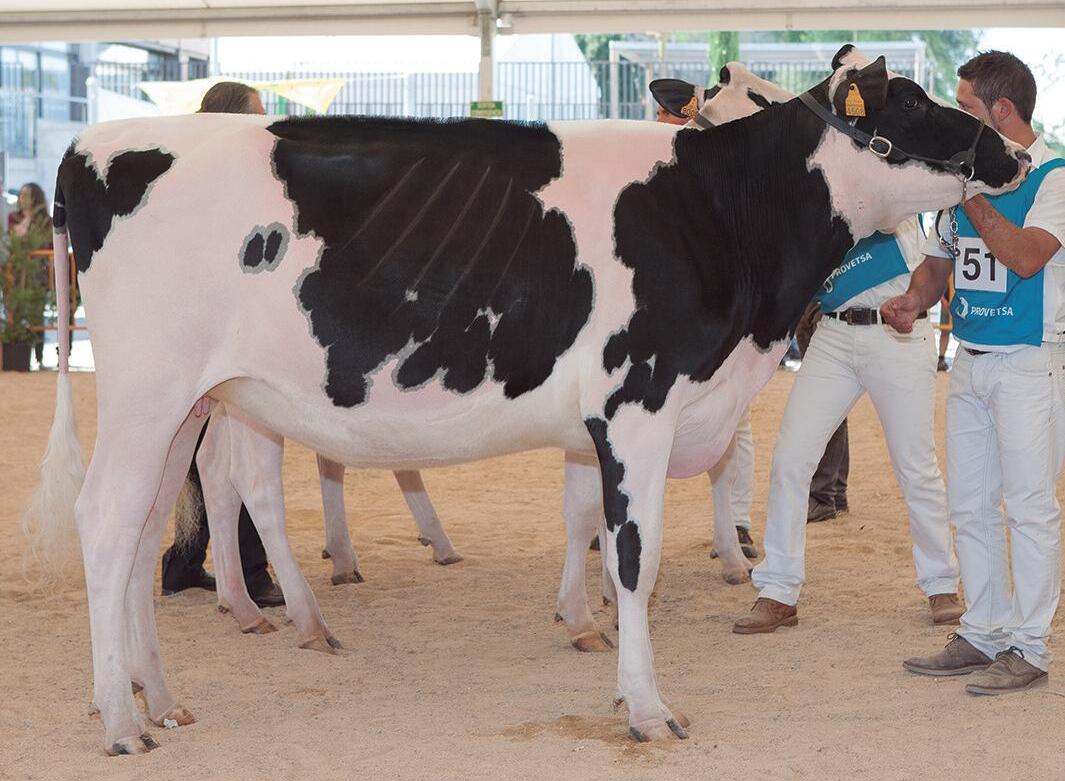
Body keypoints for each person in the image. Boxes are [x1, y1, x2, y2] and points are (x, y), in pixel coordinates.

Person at [885, 51, 1065, 695]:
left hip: (1031, 360)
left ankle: (1030, 646)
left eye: (966, 106)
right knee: (970, 504)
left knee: (1029, 507)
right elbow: (940, 264)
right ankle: (984, 630)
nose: (958, 115)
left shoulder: (1053, 178)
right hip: (970, 359)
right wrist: (914, 299)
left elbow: (1026, 258)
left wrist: (974, 197)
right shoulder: (961, 182)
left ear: (1002, 110)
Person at [733, 215, 964, 634]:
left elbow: (883, 216)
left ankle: (942, 584)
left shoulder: (892, 175)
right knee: (790, 458)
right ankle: (779, 589)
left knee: (915, 465)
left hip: (900, 330)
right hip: (833, 332)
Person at [160, 82, 283, 607]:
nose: (264, 122)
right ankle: (251, 573)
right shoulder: (221, 173)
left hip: (194, 329)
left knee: (198, 453)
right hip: (216, 332)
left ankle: (184, 563)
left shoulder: (185, 167)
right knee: (243, 449)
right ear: (232, 118)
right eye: (257, 114)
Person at [7, 182, 54, 364]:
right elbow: (13, 238)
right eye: (21, 195)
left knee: (37, 313)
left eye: (26, 195)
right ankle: (20, 351)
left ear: (36, 198)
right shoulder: (14, 217)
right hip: (18, 272)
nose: (22, 199)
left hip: (39, 272)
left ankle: (39, 356)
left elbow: (47, 243)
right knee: (17, 312)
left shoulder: (46, 220)